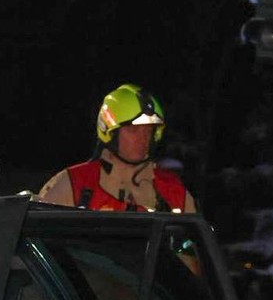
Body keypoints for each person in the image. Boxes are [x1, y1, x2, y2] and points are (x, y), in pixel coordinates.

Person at [36, 83, 197, 214]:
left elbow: (193, 251)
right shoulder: (73, 184)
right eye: (133, 130)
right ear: (110, 133)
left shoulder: (174, 191)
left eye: (149, 131)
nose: (143, 139)